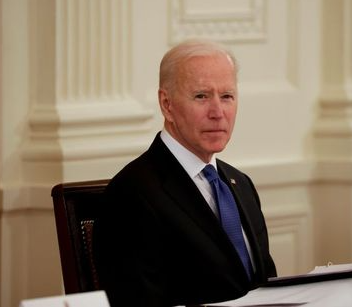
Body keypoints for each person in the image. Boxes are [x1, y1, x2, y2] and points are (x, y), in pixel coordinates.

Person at [94, 39, 277, 306]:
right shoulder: (131, 194)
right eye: (201, 96)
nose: (218, 112)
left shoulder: (241, 185)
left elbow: (268, 288)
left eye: (227, 96)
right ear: (167, 105)